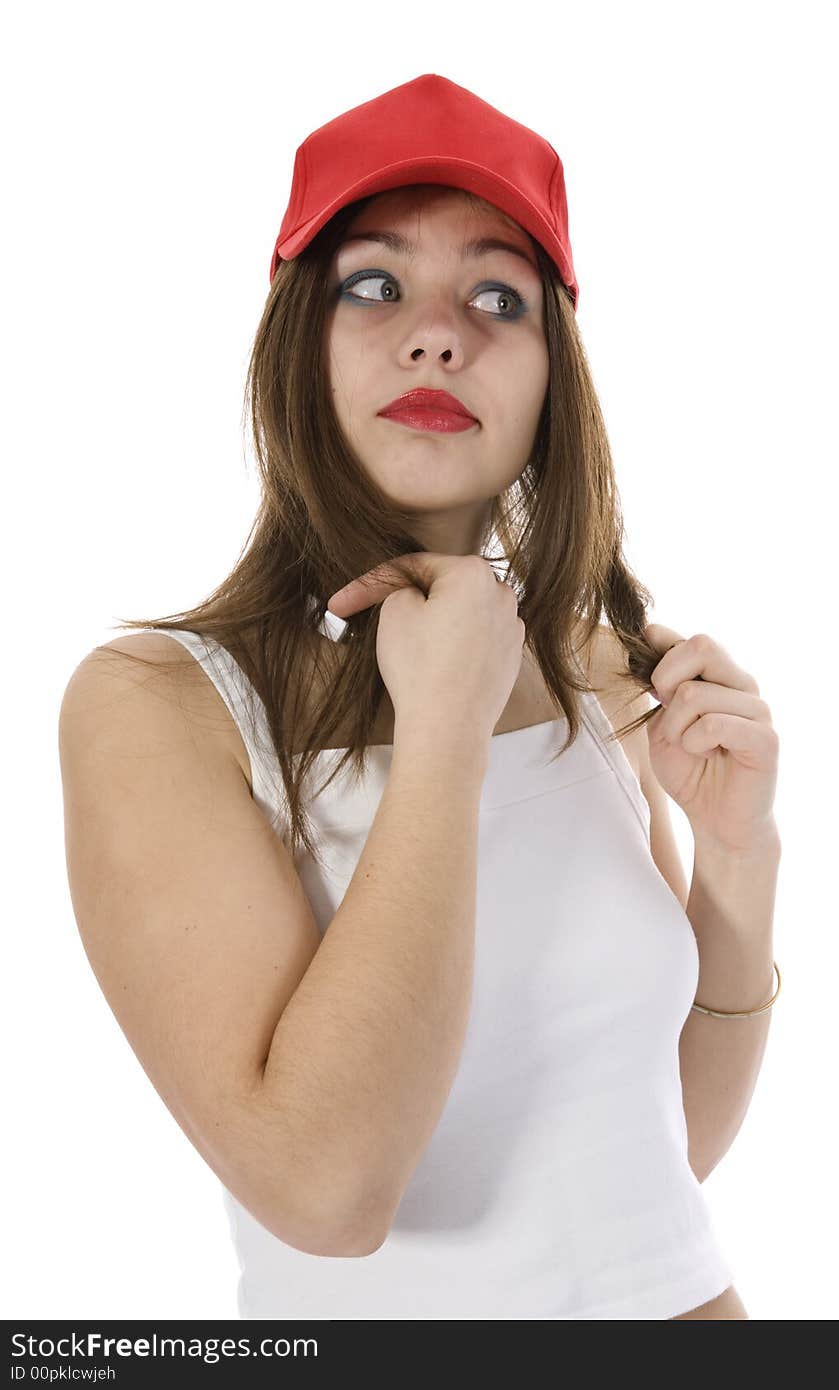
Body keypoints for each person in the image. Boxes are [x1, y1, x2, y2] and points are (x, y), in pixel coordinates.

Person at [58, 74, 778, 1319]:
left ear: (555, 375)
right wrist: (441, 734)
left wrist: (736, 862)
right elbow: (325, 1197)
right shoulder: (157, 705)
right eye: (374, 285)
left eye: (496, 296)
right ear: (298, 339)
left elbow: (658, 1159)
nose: (437, 334)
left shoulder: (591, 678)